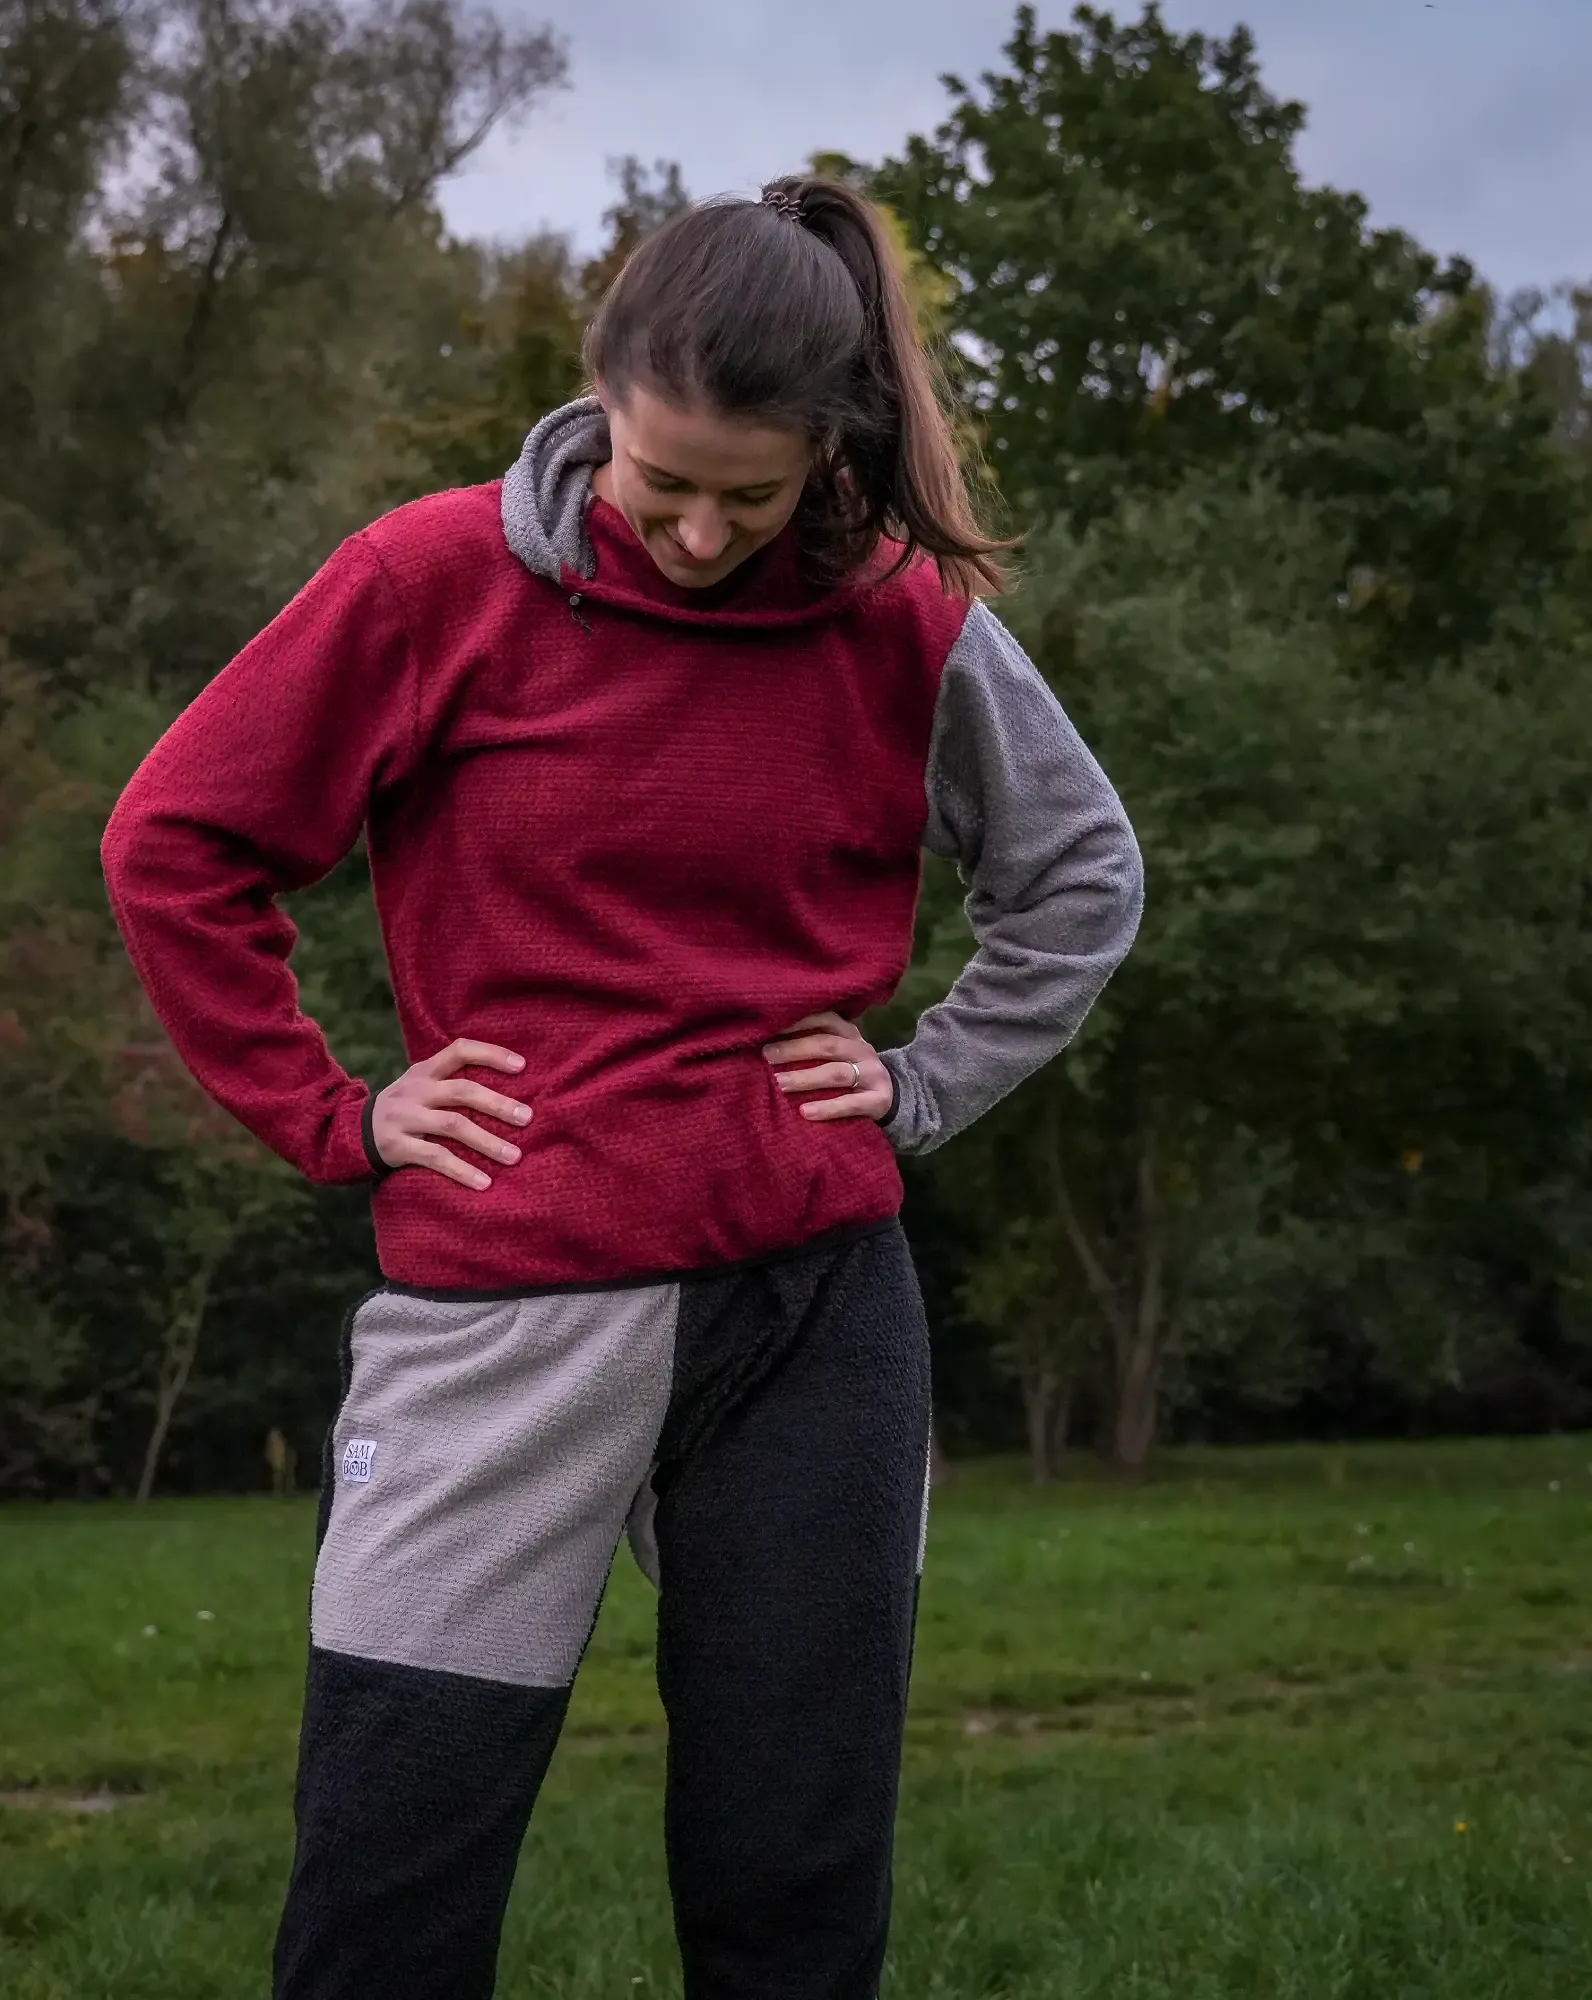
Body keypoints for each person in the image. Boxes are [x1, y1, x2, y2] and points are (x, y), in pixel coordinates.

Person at [101, 172, 1143, 2000]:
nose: (699, 535)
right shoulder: (428, 579)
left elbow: (1080, 877)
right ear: (600, 401)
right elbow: (175, 842)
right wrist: (336, 1114)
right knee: (387, 1887)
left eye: (755, 496)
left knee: (793, 1883)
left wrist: (918, 1085)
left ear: (832, 452)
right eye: (665, 485)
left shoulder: (903, 620)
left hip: (813, 1307)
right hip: (504, 1309)